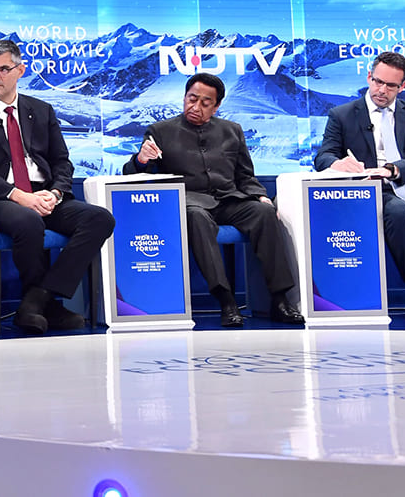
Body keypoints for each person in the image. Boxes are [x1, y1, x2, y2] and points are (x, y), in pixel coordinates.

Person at [0, 39, 115, 334]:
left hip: (44, 193)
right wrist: (19, 195)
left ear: (20, 70)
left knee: (100, 218)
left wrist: (54, 193)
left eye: (2, 69)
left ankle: (38, 299)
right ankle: (46, 306)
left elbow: (62, 162)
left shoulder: (41, 110)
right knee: (28, 222)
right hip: (2, 196)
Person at [125, 72, 304, 327]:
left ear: (217, 106)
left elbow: (245, 175)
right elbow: (134, 174)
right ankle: (226, 300)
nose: (195, 107)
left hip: (230, 200)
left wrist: (261, 196)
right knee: (197, 217)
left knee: (264, 213)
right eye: (191, 99)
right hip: (190, 201)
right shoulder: (160, 132)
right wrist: (141, 159)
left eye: (205, 103)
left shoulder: (232, 131)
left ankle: (279, 300)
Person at [314, 51, 405, 320]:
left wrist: (393, 169)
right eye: (378, 81)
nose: (382, 90)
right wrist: (337, 164)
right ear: (369, 77)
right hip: (372, 194)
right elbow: (323, 156)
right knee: (398, 213)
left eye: (391, 85)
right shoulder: (342, 115)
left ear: (403, 86)